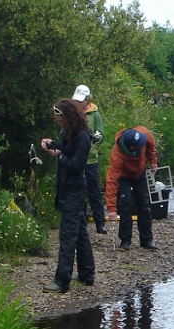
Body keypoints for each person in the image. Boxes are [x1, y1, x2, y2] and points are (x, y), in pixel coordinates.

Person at [40, 98, 95, 293]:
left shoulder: (83, 137)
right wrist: (53, 144)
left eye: (60, 119)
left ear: (68, 117)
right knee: (80, 233)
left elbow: (76, 166)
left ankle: (62, 281)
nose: (58, 123)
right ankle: (87, 274)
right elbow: (66, 150)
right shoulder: (69, 133)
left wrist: (58, 155)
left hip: (75, 189)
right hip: (67, 188)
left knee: (67, 236)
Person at [105, 126, 158, 251]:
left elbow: (151, 145)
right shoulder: (117, 157)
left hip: (140, 173)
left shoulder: (144, 134)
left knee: (144, 204)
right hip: (124, 177)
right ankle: (125, 240)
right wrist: (111, 209)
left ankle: (146, 240)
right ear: (131, 148)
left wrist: (153, 161)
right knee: (126, 204)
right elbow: (111, 182)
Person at [71, 85, 107, 234]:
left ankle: (100, 223)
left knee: (94, 192)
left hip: (91, 159)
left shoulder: (95, 115)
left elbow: (101, 133)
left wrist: (96, 139)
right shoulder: (72, 114)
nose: (78, 103)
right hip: (76, 159)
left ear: (87, 100)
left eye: (81, 100)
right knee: (78, 192)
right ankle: (81, 222)